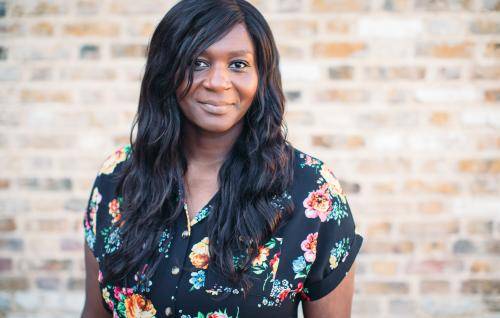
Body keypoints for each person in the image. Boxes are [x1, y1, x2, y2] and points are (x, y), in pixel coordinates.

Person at [81, 1, 363, 317]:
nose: (217, 81)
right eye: (198, 62)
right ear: (167, 71)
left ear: (262, 77)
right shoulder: (118, 177)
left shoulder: (312, 191)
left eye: (239, 64)